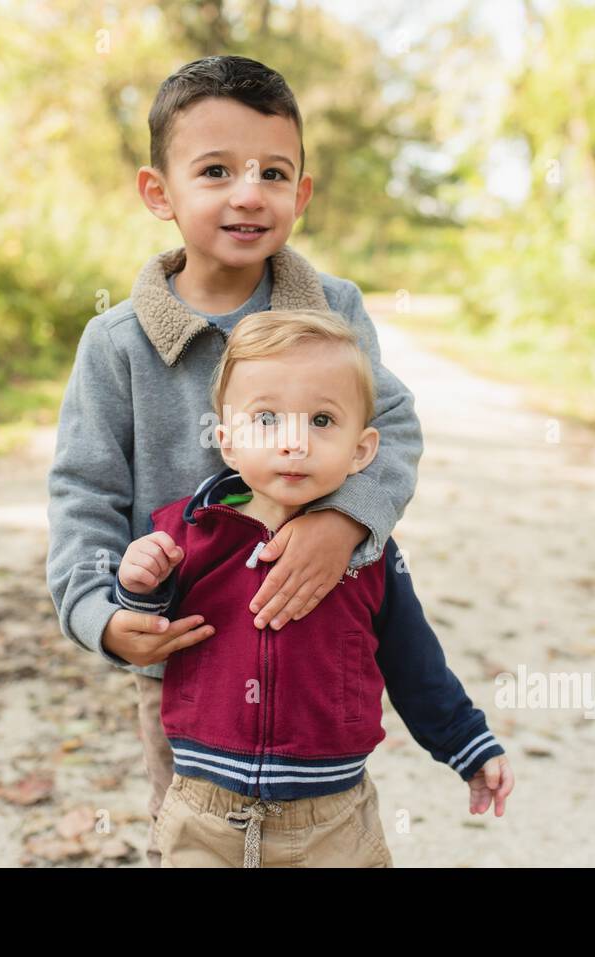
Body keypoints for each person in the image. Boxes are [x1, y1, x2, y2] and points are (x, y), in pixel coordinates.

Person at [44, 54, 500, 866]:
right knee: (192, 837)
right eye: (215, 170)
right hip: (187, 670)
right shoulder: (117, 345)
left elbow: (388, 427)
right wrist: (102, 618)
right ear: (160, 192)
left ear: (302, 192)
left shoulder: (335, 311)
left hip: (319, 650)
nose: (248, 193)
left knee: (325, 834)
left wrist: (346, 519)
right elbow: (84, 494)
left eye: (273, 172)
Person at [112, 309, 511, 867]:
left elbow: (414, 658)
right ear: (227, 442)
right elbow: (151, 624)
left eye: (322, 421)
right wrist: (140, 583)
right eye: (267, 418)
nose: (294, 442)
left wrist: (467, 745)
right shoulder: (187, 532)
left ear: (363, 450)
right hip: (204, 807)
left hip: (331, 816)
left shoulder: (368, 553)